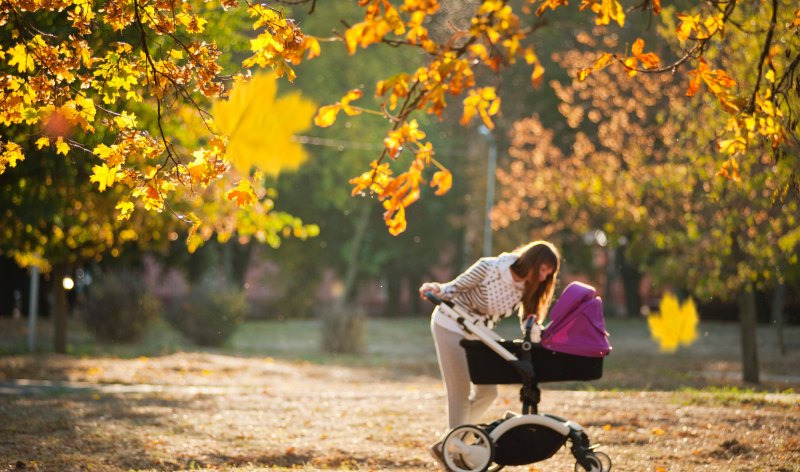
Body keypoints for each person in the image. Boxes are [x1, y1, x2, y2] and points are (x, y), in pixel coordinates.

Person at [419, 240, 561, 467]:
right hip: (450, 324)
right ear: (533, 261)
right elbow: (453, 288)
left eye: (549, 274)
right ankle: (453, 457)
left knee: (488, 392)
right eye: (544, 270)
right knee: (460, 393)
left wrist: (540, 340)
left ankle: (447, 444)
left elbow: (529, 321)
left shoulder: (528, 287)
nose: (544, 277)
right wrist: (434, 288)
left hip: (479, 332)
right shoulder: (490, 268)